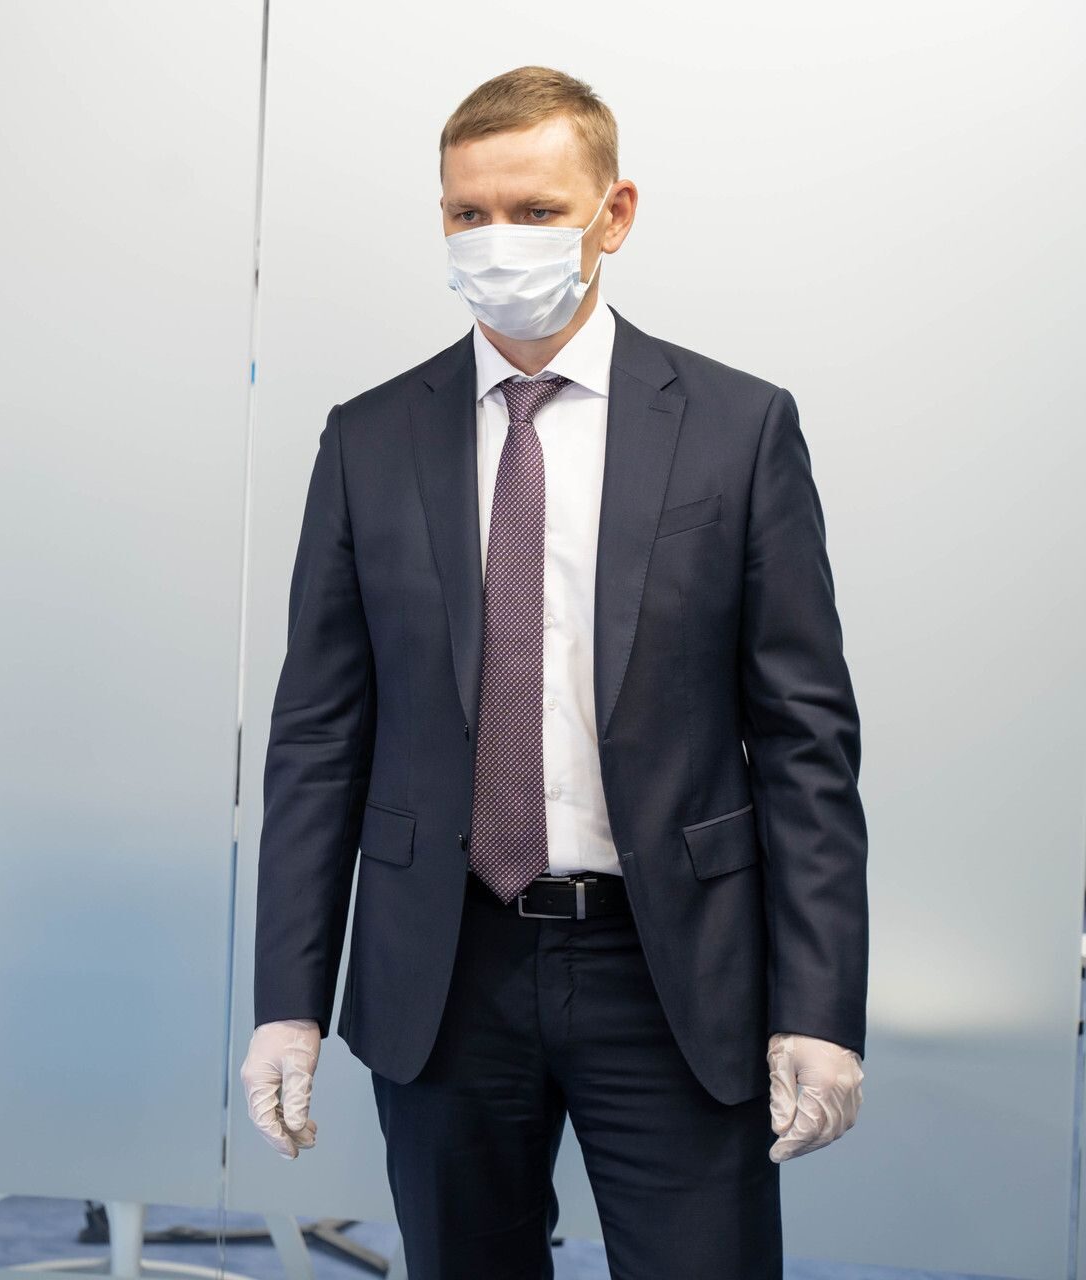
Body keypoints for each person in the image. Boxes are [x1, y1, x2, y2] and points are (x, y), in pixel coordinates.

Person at [239, 66, 867, 1278]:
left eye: (534, 210)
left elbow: (806, 745)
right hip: (445, 967)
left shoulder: (737, 429)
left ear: (612, 214)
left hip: (672, 965)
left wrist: (820, 1005)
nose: (498, 239)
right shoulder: (369, 439)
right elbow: (317, 736)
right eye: (468, 212)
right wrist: (287, 997)